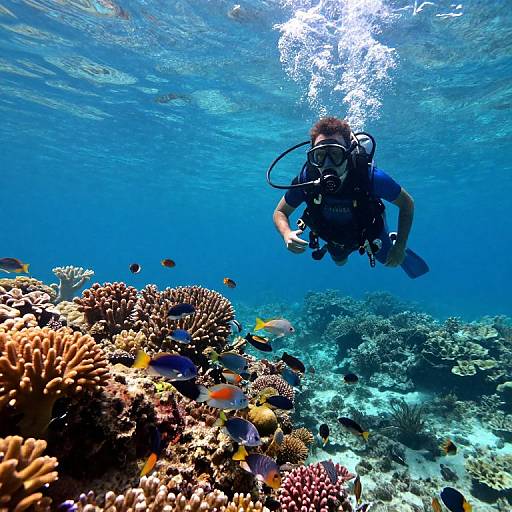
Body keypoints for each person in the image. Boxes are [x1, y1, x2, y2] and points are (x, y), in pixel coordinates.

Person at [271, 117, 428, 277]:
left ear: (347, 153)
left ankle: (392, 240)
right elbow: (280, 212)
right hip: (334, 237)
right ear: (313, 157)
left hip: (368, 232)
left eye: (335, 154)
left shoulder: (370, 177)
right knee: (339, 262)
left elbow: (407, 203)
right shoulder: (306, 180)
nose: (328, 163)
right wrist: (286, 233)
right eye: (320, 155)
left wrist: (400, 247)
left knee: (389, 262)